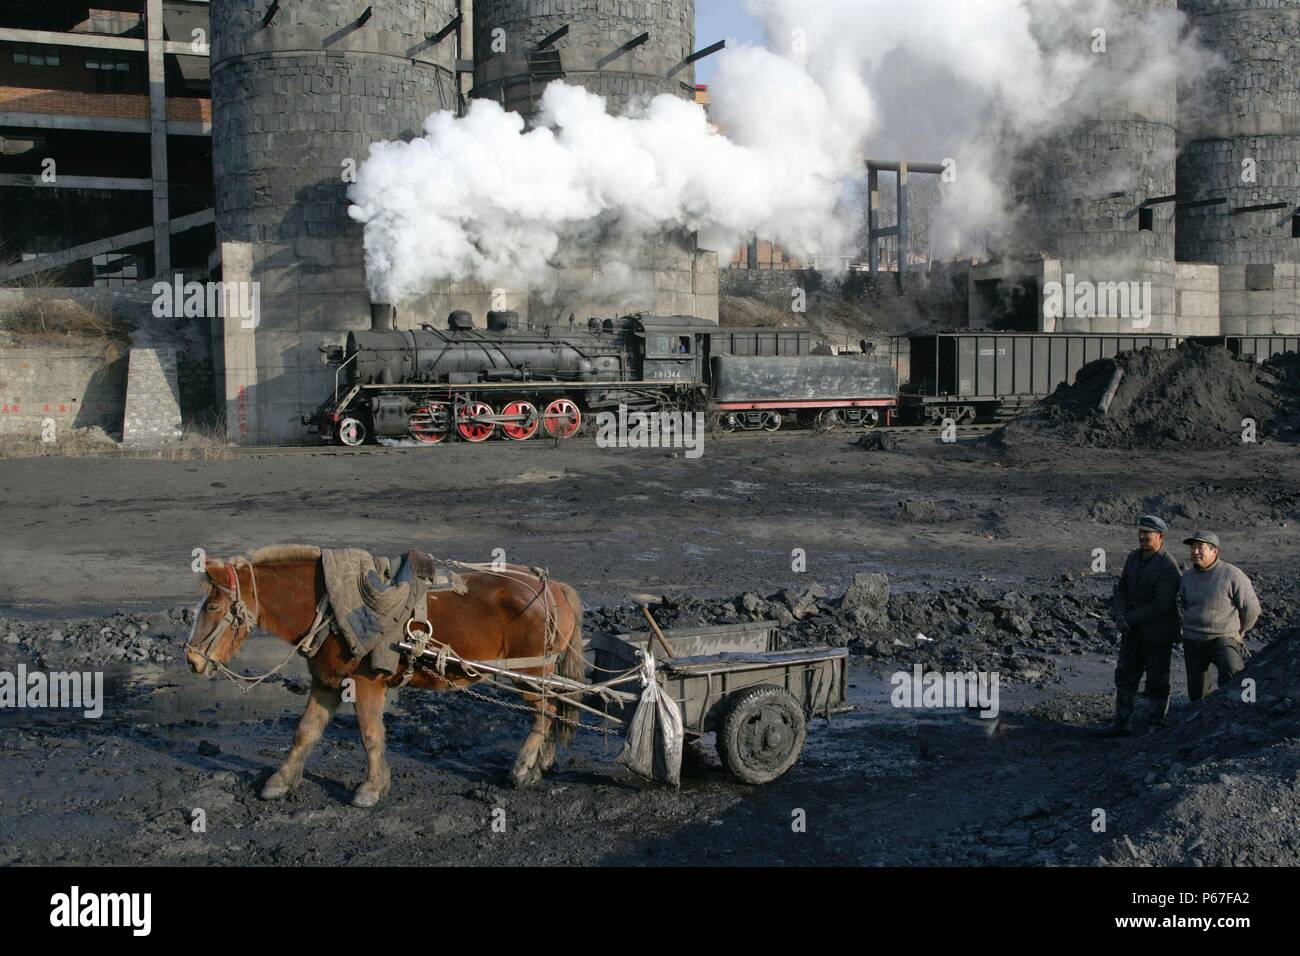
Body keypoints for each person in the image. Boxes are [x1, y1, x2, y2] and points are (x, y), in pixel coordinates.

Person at [1102, 515, 1181, 737]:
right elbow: (1122, 588)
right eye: (1141, 532)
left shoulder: (1168, 566)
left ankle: (1154, 727)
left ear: (1161, 537)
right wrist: (1118, 614)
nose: (1143, 537)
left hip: (1157, 634)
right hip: (1132, 632)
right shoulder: (1134, 558)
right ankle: (1121, 724)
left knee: (1156, 680)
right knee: (1125, 674)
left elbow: (1160, 605)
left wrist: (1129, 619)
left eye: (1148, 533)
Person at [1179, 531, 1260, 702]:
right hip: (1193, 639)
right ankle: (1200, 721)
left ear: (1214, 551)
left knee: (1234, 678)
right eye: (1193, 548)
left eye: (1200, 548)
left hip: (1223, 638)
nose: (1194, 552)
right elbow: (1185, 603)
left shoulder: (1232, 575)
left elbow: (1251, 609)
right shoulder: (1187, 576)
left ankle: (1238, 715)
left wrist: (1240, 631)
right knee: (1197, 690)